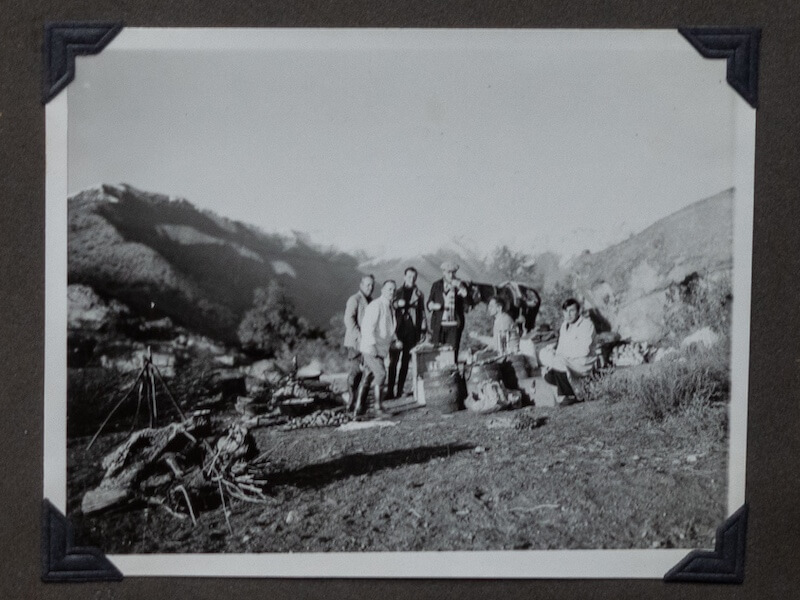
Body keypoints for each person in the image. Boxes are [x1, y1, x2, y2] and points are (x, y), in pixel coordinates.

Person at [539, 298, 596, 406]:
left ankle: (567, 396)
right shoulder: (564, 326)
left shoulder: (586, 325)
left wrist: (560, 357)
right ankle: (572, 391)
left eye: (572, 311)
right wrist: (552, 358)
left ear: (579, 311)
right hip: (567, 360)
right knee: (544, 356)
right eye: (565, 311)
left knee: (557, 362)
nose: (568, 314)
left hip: (583, 361)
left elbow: (584, 351)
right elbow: (560, 348)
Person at [356, 280, 399, 417]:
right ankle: (378, 408)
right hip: (371, 348)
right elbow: (367, 327)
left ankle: (359, 408)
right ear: (382, 290)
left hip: (380, 349)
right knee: (380, 374)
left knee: (368, 376)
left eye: (393, 290)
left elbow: (387, 329)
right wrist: (372, 346)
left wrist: (394, 341)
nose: (392, 292)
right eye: (389, 289)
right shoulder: (376, 305)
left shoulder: (389, 307)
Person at [387, 267, 427, 399]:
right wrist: (398, 303)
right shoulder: (397, 292)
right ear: (404, 277)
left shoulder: (419, 294)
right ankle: (389, 391)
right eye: (409, 276)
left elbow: (421, 312)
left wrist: (423, 329)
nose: (411, 279)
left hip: (411, 330)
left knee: (405, 362)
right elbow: (390, 304)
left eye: (414, 277)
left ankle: (399, 391)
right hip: (397, 330)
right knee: (393, 362)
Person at [427, 261, 472, 362]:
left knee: (452, 353)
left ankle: (452, 375)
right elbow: (429, 302)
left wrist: (463, 291)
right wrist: (432, 305)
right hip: (439, 325)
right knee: (437, 353)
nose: (451, 275)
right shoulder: (436, 285)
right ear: (443, 272)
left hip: (454, 325)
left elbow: (469, 304)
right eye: (448, 272)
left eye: (453, 272)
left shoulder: (461, 285)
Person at [342, 274, 374, 411]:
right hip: (355, 343)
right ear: (361, 285)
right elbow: (348, 320)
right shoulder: (354, 300)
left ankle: (360, 403)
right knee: (355, 373)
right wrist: (359, 336)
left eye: (372, 285)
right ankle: (351, 401)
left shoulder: (371, 301)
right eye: (367, 285)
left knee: (367, 372)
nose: (370, 288)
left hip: (367, 344)